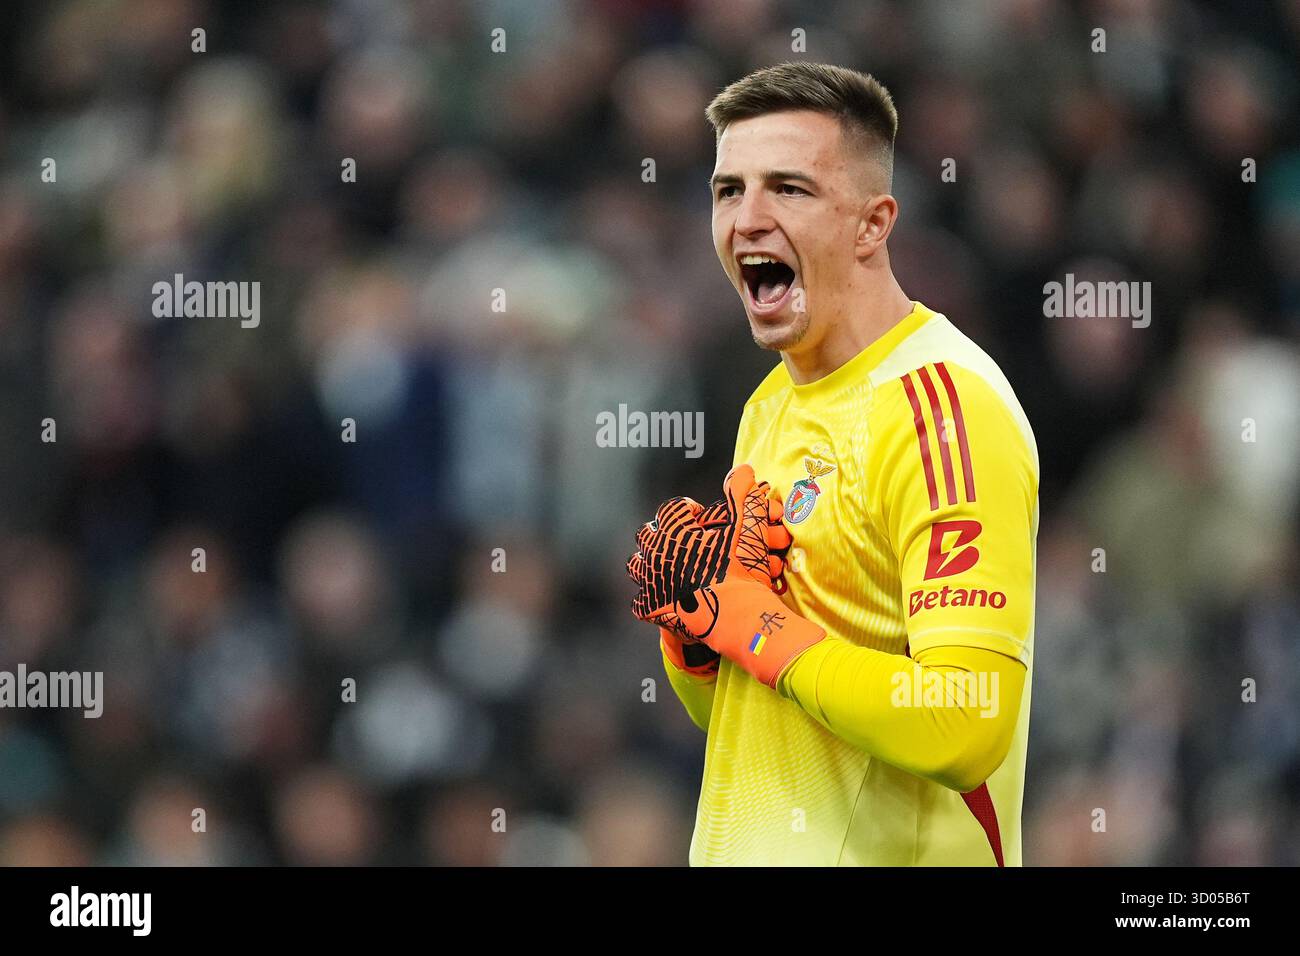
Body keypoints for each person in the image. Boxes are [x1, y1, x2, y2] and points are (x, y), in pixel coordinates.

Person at [628, 62, 1038, 866]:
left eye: (789, 189)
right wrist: (701, 644)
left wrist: (764, 628)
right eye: (727, 190)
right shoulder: (768, 408)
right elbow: (764, 717)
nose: (747, 219)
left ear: (872, 224)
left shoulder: (941, 410)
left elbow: (966, 722)